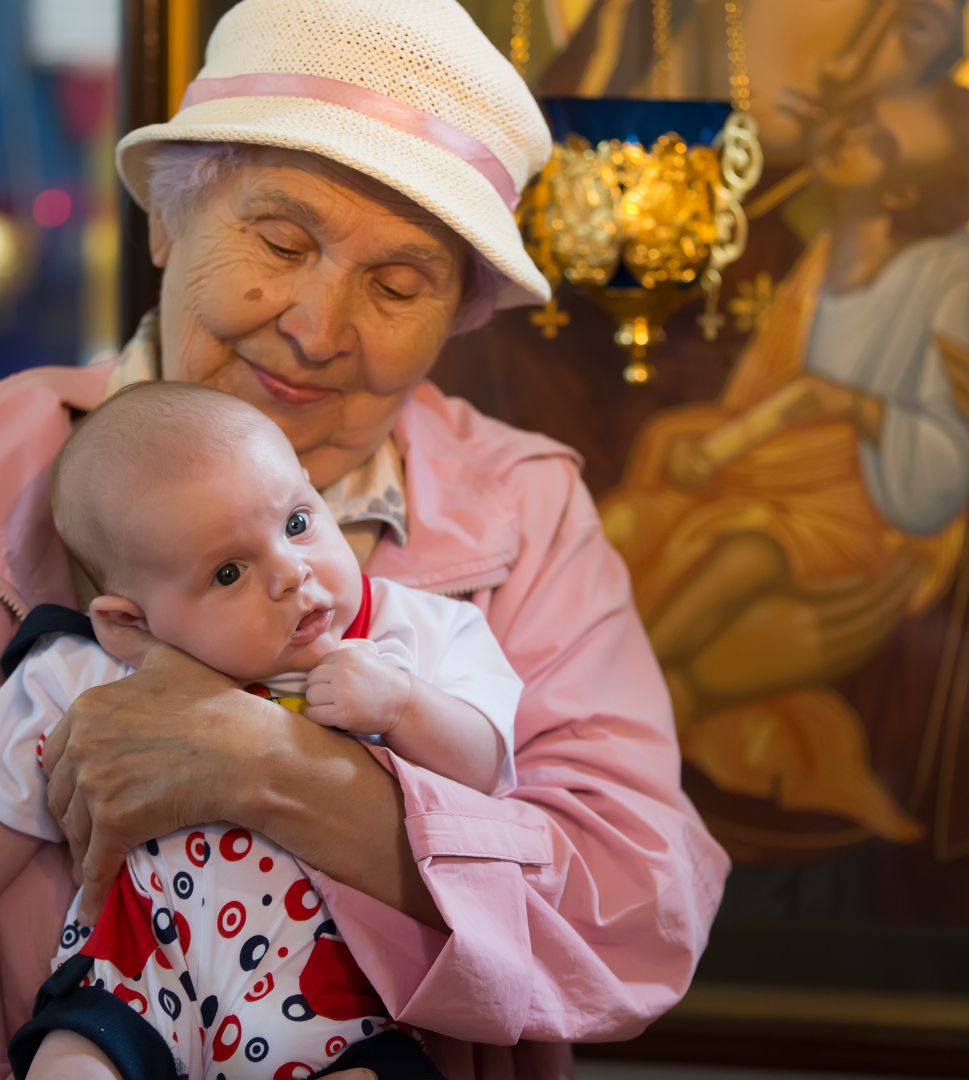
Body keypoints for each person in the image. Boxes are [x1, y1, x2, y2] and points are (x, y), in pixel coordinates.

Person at [0, 1, 728, 1077]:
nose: (317, 326)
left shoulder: (525, 515)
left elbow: (638, 910)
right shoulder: (10, 459)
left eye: (397, 285)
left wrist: (273, 770)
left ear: (458, 314)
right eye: (281, 240)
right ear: (166, 222)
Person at [6, 381, 525, 1079]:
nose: (291, 572)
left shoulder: (415, 634)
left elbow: (486, 765)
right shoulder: (82, 676)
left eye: (298, 522)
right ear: (130, 624)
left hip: (337, 1006)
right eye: (228, 572)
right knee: (66, 1064)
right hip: (132, 986)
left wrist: (403, 707)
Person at [599, 78, 969, 839]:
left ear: (909, 188)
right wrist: (703, 438)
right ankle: (630, 696)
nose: (850, 139)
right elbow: (760, 401)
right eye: (861, 120)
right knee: (625, 521)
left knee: (740, 551)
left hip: (871, 513)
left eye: (881, 143)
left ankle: (615, 696)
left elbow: (950, 452)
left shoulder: (955, 277)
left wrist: (853, 406)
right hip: (771, 475)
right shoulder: (825, 254)